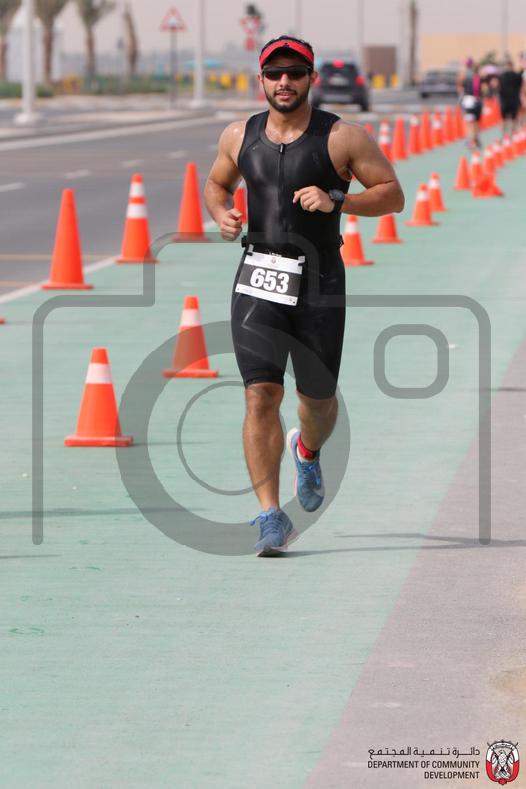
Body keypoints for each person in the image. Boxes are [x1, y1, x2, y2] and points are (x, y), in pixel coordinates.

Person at [204, 35, 404, 557]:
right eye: (274, 73)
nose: (284, 82)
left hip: (319, 281)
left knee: (317, 401)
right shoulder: (238, 135)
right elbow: (217, 184)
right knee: (260, 394)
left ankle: (308, 451)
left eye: (295, 72)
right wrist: (221, 212)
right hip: (258, 275)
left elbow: (392, 195)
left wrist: (337, 199)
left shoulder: (342, 137)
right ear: (261, 79)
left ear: (311, 78)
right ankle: (271, 515)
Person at [457, 57, 483, 149]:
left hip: (467, 101)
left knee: (469, 123)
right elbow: (482, 89)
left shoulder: (463, 75)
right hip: (476, 100)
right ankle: (475, 138)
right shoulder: (477, 76)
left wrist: (461, 99)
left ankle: (470, 140)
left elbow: (460, 88)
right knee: (476, 121)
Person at [497, 57, 524, 137]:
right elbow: (521, 86)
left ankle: (503, 135)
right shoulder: (516, 76)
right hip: (514, 99)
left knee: (504, 118)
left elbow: (498, 87)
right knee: (513, 117)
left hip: (504, 100)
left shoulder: (501, 76)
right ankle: (512, 133)